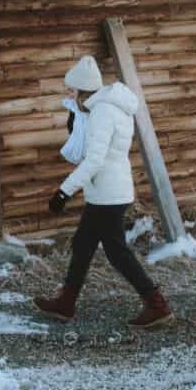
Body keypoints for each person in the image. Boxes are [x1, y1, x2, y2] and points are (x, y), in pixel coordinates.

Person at [33, 55, 173, 328]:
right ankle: (66, 302)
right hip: (107, 192)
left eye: (71, 91)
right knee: (84, 243)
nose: (69, 95)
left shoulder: (102, 113)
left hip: (109, 194)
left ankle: (157, 305)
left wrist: (64, 192)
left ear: (83, 90)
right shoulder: (105, 108)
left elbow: (95, 161)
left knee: (116, 252)